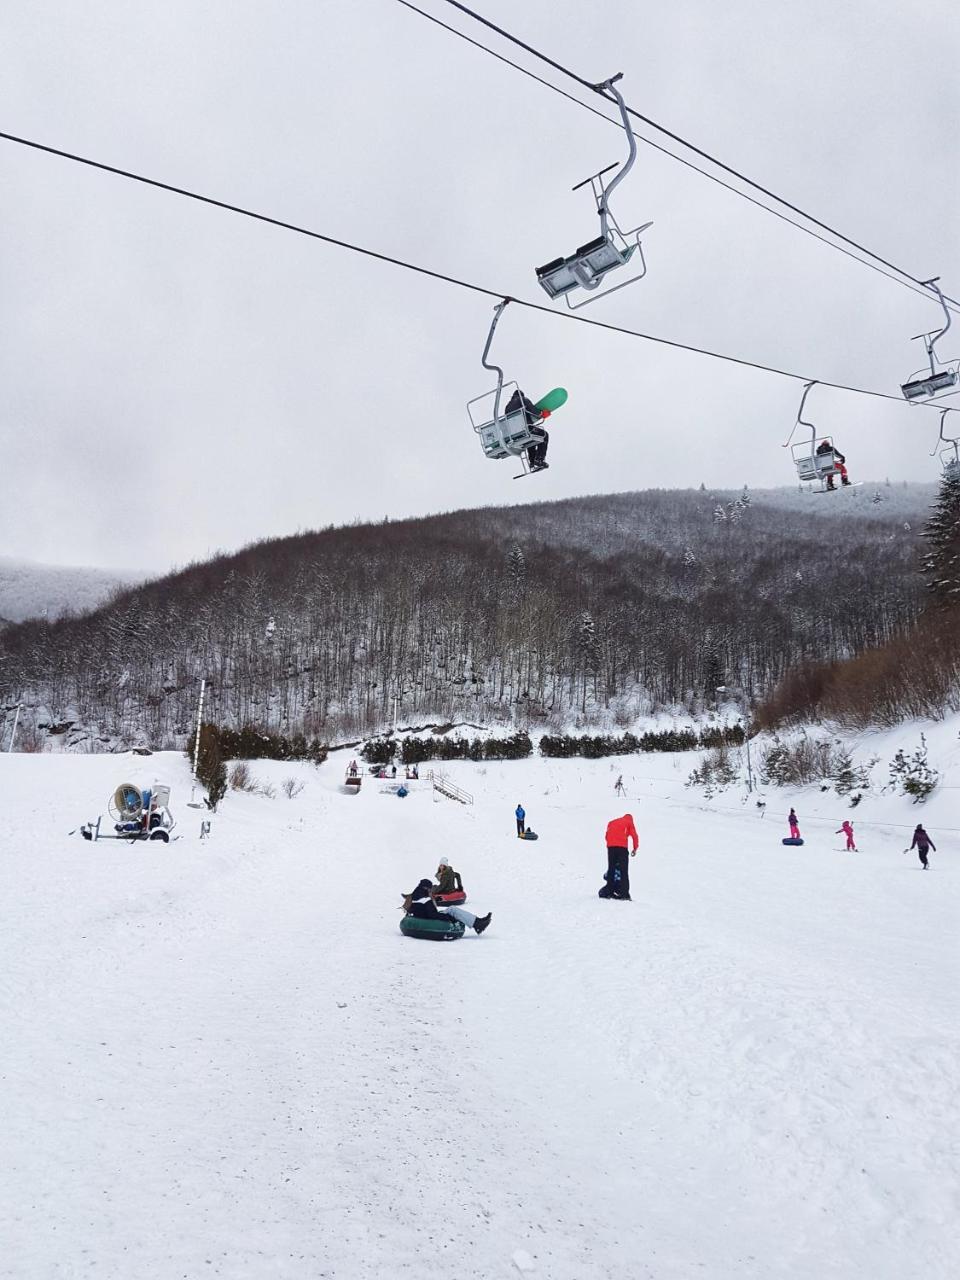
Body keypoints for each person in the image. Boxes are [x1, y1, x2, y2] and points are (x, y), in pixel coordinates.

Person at [403, 880, 491, 934]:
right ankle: (478, 924)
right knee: (453, 910)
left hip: (423, 916)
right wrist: (448, 917)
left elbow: (422, 908)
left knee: (452, 909)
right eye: (429, 889)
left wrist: (435, 899)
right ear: (426, 888)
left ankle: (478, 922)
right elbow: (433, 914)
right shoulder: (426, 899)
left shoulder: (415, 896)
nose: (430, 891)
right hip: (430, 919)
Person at [505, 388, 549, 472]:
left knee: (531, 440)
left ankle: (532, 462)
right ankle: (539, 459)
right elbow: (533, 410)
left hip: (515, 433)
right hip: (525, 428)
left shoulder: (507, 407)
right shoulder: (523, 400)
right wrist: (542, 413)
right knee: (544, 435)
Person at [598, 813, 639, 900]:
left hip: (611, 848)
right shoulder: (629, 822)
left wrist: (611, 844)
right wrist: (635, 848)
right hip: (622, 848)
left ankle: (609, 892)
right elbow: (634, 836)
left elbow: (606, 836)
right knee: (624, 871)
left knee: (611, 869)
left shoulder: (611, 822)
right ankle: (624, 894)